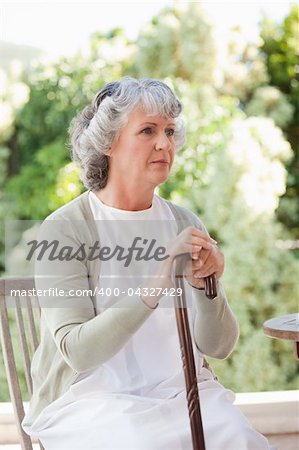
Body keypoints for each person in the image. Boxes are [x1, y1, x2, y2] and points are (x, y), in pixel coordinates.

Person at [22, 77, 271, 449]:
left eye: (170, 131)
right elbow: (77, 350)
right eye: (147, 130)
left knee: (237, 435)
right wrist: (159, 278)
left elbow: (219, 347)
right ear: (108, 143)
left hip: (180, 392)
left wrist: (209, 288)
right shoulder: (64, 229)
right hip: (90, 401)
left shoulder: (186, 223)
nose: (164, 143)